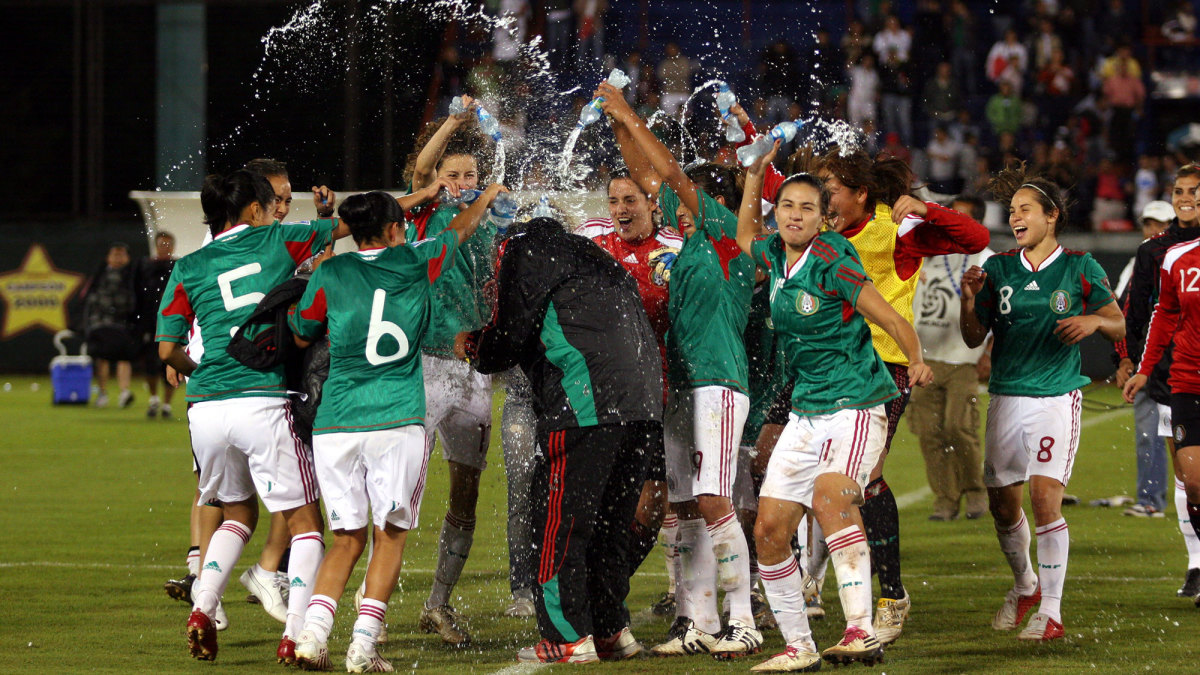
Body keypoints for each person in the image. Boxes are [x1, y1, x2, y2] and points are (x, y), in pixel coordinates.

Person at [734, 142, 932, 670]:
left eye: (806, 208)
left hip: (856, 405)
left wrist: (916, 358)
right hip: (807, 410)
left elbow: (890, 318)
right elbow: (744, 236)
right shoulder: (776, 254)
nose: (794, 215)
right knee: (769, 531)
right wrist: (754, 176)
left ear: (823, 218)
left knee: (831, 498)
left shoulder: (832, 260)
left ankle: (860, 631)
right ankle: (798, 647)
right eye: (787, 206)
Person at [288, 187, 502, 672]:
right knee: (389, 536)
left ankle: (313, 636)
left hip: (337, 421)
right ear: (391, 229)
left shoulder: (331, 271)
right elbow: (460, 229)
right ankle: (363, 647)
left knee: (346, 538)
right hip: (396, 417)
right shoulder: (414, 260)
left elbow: (301, 332)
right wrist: (487, 194)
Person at [597, 80, 764, 659]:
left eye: (689, 200)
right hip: (683, 386)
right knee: (687, 505)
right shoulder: (692, 244)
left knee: (715, 499)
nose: (676, 207)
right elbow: (647, 176)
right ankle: (696, 620)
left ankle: (743, 620)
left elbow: (666, 172)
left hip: (719, 383)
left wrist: (630, 112)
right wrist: (619, 125)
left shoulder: (729, 240)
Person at [156, 169, 351, 663]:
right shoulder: (275, 240)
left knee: (237, 513)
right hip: (262, 399)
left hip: (206, 409)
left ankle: (203, 606)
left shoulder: (189, 264)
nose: (274, 212)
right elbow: (354, 223)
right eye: (269, 204)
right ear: (253, 210)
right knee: (307, 525)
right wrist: (420, 195)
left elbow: (167, 349)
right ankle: (295, 633)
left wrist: (202, 371)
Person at [456, 215, 664, 664]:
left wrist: (473, 346)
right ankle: (610, 628)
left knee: (557, 521)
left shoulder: (522, 249)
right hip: (644, 404)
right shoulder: (595, 256)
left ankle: (566, 636)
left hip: (586, 403)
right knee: (610, 524)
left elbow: (507, 339)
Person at [961, 166, 1124, 642]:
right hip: (1006, 396)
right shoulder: (997, 269)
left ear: (1051, 216)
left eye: (1025, 209)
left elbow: (1119, 322)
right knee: (1003, 507)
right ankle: (1025, 586)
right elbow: (972, 338)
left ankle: (1051, 610)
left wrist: (1094, 322)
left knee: (1044, 497)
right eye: (1012, 211)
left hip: (1055, 396)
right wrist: (969, 301)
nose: (1015, 217)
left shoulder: (1080, 266)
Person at [404, 100, 499, 644]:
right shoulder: (427, 211)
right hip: (422, 366)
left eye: (470, 175)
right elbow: (421, 168)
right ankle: (370, 607)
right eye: (453, 175)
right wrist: (454, 123)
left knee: (466, 491)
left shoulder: (491, 223)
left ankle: (438, 604)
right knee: (399, 490)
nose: (462, 183)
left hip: (472, 372)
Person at [576, 171, 682, 603]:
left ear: (653, 205)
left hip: (659, 394)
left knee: (653, 503)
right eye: (614, 201)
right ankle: (597, 591)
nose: (621, 209)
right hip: (604, 395)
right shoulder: (594, 246)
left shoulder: (674, 250)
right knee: (602, 501)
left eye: (630, 200)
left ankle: (608, 586)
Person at [1114, 165, 1200, 596]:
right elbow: (1140, 311)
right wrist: (1131, 360)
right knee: (1188, 474)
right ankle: (1196, 561)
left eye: (1193, 191)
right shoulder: (1154, 251)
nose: (1186, 198)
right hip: (1174, 372)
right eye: (1179, 191)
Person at [907, 196, 993, 522]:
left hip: (963, 358)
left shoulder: (985, 258)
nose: (952, 223)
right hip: (924, 357)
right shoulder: (925, 252)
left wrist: (988, 352)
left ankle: (975, 491)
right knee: (929, 433)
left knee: (959, 427)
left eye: (962, 217)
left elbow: (999, 309)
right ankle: (945, 499)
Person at [1112, 201, 1174, 519]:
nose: (1154, 230)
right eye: (1149, 224)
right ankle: (1150, 500)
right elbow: (1123, 315)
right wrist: (1124, 359)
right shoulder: (1137, 262)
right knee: (1149, 434)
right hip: (1150, 365)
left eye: (1161, 224)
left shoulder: (1184, 257)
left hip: (1182, 361)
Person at [82, 242, 139, 408]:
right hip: (101, 324)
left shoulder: (133, 276)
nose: (118, 258)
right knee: (102, 358)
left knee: (124, 357)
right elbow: (89, 298)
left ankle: (124, 392)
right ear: (108, 257)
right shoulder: (99, 275)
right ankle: (102, 393)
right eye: (115, 254)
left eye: (122, 255)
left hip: (123, 323)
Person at [136, 231, 178, 418]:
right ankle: (154, 398)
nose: (164, 248)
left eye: (168, 245)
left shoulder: (178, 266)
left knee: (171, 361)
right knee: (150, 363)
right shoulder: (145, 266)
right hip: (150, 323)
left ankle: (167, 404)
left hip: (172, 323)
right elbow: (139, 293)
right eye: (161, 244)